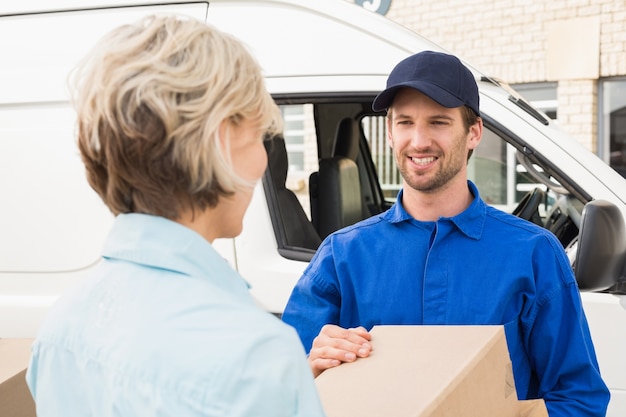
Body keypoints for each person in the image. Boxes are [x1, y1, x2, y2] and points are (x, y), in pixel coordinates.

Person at [26, 15, 326, 417]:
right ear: (219, 142)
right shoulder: (257, 355)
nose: (262, 162)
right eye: (259, 138)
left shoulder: (60, 326)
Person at [282, 50, 610, 416]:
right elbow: (276, 393)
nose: (419, 141)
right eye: (405, 122)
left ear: (473, 132)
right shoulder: (341, 256)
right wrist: (310, 369)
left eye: (438, 122)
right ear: (389, 133)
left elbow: (580, 400)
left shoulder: (533, 254)